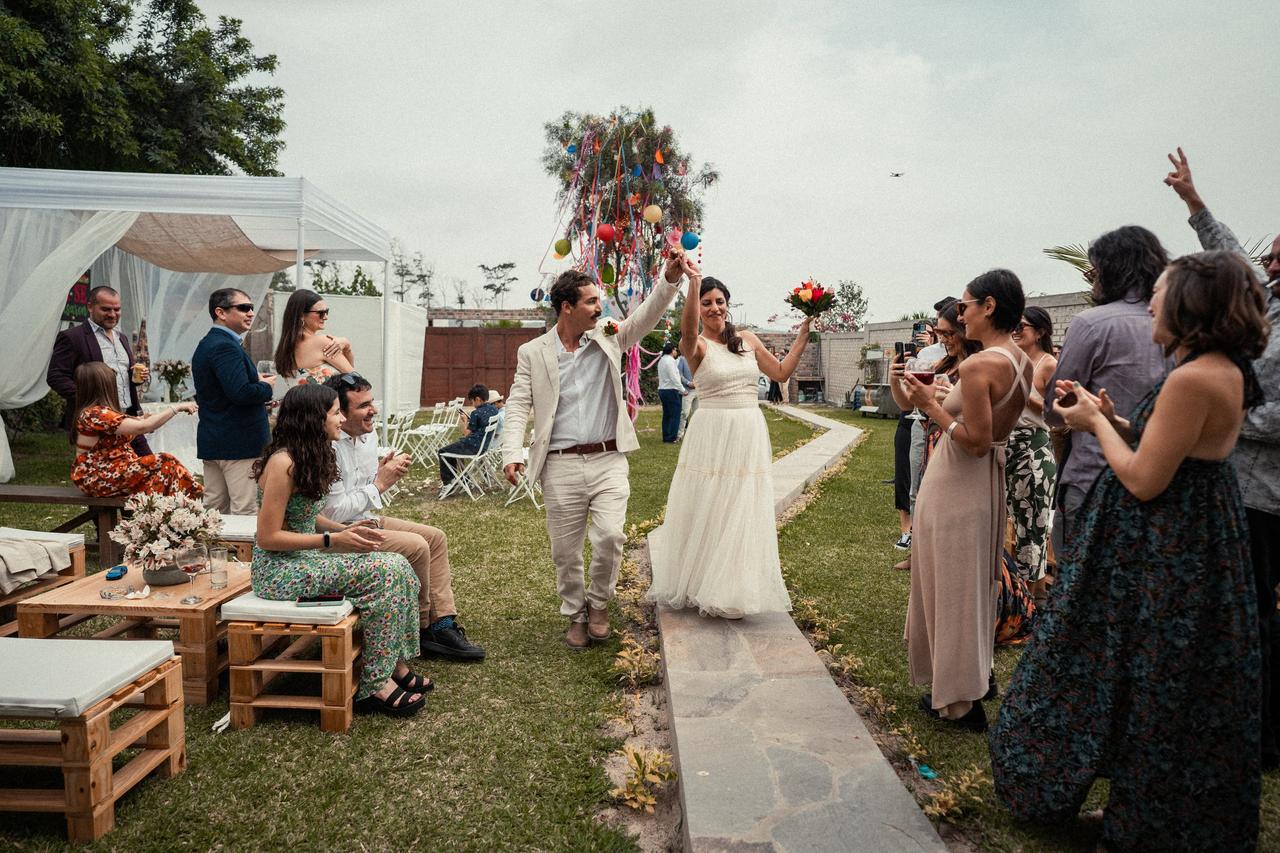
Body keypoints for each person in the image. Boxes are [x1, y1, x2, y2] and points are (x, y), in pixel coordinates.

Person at [990, 251, 1269, 852]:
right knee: (1169, 687)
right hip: (1199, 536)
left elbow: (1144, 479)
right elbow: (1179, 447)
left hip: (1164, 549)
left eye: (1161, 296)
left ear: (1192, 306)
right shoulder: (1228, 368)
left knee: (1131, 679)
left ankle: (1132, 823)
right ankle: (1143, 816)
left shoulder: (1195, 376)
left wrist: (1094, 424)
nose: (1150, 307)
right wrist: (1120, 420)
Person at [1164, 146, 1280, 769]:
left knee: (1258, 616)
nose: (1269, 262)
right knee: (1238, 617)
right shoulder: (1266, 301)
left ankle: (1260, 739)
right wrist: (1194, 202)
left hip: (1268, 495)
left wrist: (1222, 418)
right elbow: (1234, 261)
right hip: (1234, 486)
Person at [501, 256, 685, 649]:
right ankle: (575, 614)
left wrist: (669, 281)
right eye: (590, 302)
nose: (599, 308)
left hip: (608, 459)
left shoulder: (608, 333)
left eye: (598, 301)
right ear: (566, 307)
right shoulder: (532, 352)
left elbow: (643, 319)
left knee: (610, 537)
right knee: (565, 551)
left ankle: (599, 603)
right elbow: (518, 403)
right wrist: (511, 451)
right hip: (560, 464)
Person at [901, 269, 1032, 732]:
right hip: (983, 485)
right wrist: (934, 395)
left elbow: (976, 440)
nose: (960, 314)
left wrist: (933, 407)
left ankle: (961, 702)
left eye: (965, 305)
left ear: (989, 306)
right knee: (973, 586)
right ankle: (970, 683)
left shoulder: (979, 365)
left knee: (951, 589)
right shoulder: (1020, 359)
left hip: (959, 479)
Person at [252, 383, 426, 717]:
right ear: (314, 419)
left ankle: (394, 665)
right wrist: (332, 541)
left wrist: (345, 530)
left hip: (306, 560)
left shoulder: (309, 454)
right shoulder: (282, 463)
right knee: (384, 572)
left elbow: (305, 516)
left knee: (399, 565)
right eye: (335, 412)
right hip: (279, 571)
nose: (341, 418)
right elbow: (267, 537)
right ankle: (376, 684)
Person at [646, 275, 811, 618]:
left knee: (742, 506)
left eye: (719, 301)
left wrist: (802, 338)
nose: (714, 308)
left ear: (728, 304)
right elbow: (689, 331)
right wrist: (692, 284)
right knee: (709, 503)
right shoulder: (696, 345)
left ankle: (732, 588)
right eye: (706, 303)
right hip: (712, 431)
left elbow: (781, 373)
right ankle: (700, 582)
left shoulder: (747, 340)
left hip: (748, 430)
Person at [320, 372, 485, 661]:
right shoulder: (328, 446)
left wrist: (380, 473)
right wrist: (379, 484)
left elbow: (359, 491)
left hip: (364, 518)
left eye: (372, 402)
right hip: (340, 531)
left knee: (435, 537)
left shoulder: (367, 436)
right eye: (362, 406)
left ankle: (442, 624)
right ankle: (420, 628)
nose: (373, 410)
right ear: (340, 414)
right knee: (416, 545)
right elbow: (331, 511)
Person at [1045, 226, 1172, 552]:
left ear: (1112, 270)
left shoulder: (1092, 323)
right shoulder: (1183, 327)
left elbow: (1056, 408)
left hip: (1093, 480)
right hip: (1161, 484)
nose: (1093, 279)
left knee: (1078, 591)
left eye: (1094, 270)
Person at [888, 300, 970, 571]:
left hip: (953, 440)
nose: (943, 340)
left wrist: (939, 400)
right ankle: (919, 554)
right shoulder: (939, 363)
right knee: (917, 493)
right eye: (940, 333)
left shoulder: (973, 366)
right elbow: (906, 405)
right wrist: (894, 379)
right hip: (925, 431)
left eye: (948, 334)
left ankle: (945, 556)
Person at [192, 288, 277, 515]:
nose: (250, 313)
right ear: (220, 312)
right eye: (243, 308)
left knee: (214, 512)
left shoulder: (209, 342)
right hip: (238, 443)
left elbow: (223, 389)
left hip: (216, 440)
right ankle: (237, 553)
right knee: (244, 510)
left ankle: (212, 552)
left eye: (251, 308)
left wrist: (254, 382)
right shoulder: (224, 346)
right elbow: (241, 393)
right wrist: (266, 387)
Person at [47, 285, 152, 457]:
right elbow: (56, 376)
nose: (112, 314)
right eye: (105, 309)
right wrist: (89, 401)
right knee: (103, 477)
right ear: (90, 307)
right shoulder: (72, 337)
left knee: (148, 465)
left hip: (128, 417)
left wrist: (136, 378)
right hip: (98, 422)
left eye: (116, 309)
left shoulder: (122, 338)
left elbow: (123, 377)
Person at [68, 362, 201, 498]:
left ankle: (184, 504)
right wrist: (176, 408)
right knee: (165, 461)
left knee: (165, 470)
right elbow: (144, 427)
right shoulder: (96, 414)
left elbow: (127, 424)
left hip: (106, 473)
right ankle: (197, 499)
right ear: (104, 386)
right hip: (100, 477)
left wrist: (142, 419)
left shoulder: (95, 412)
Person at [1006, 306, 1058, 601]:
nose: (1015, 330)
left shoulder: (1048, 364)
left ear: (1040, 332)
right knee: (1017, 523)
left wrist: (1023, 392)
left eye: (1022, 326)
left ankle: (1035, 599)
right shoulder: (1016, 360)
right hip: (1010, 446)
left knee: (1034, 527)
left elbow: (1056, 414)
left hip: (1034, 449)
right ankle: (1022, 597)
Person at [273, 289, 355, 387]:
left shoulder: (285, 348)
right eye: (321, 313)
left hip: (299, 402)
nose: (325, 317)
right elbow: (355, 380)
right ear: (302, 315)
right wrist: (347, 344)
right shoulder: (322, 342)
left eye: (326, 311)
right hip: (329, 402)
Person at [436, 384, 498, 487]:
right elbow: (483, 423)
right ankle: (461, 479)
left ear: (477, 399)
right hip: (484, 446)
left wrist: (465, 421)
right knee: (453, 448)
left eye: (472, 401)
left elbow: (466, 434)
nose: (472, 404)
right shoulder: (493, 409)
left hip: (473, 447)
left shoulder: (476, 413)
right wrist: (472, 421)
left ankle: (448, 483)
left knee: (443, 451)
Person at [656, 342, 684, 443]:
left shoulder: (661, 360)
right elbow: (674, 377)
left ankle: (666, 436)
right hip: (671, 390)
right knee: (675, 414)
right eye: (675, 350)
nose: (676, 351)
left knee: (667, 414)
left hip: (662, 389)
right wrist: (682, 389)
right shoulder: (670, 361)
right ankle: (672, 437)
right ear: (672, 350)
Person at [676, 351, 696, 438]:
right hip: (688, 391)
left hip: (698, 390)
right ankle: (680, 434)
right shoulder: (682, 360)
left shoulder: (698, 358)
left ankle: (696, 434)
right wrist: (688, 383)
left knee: (697, 414)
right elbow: (679, 375)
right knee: (684, 413)